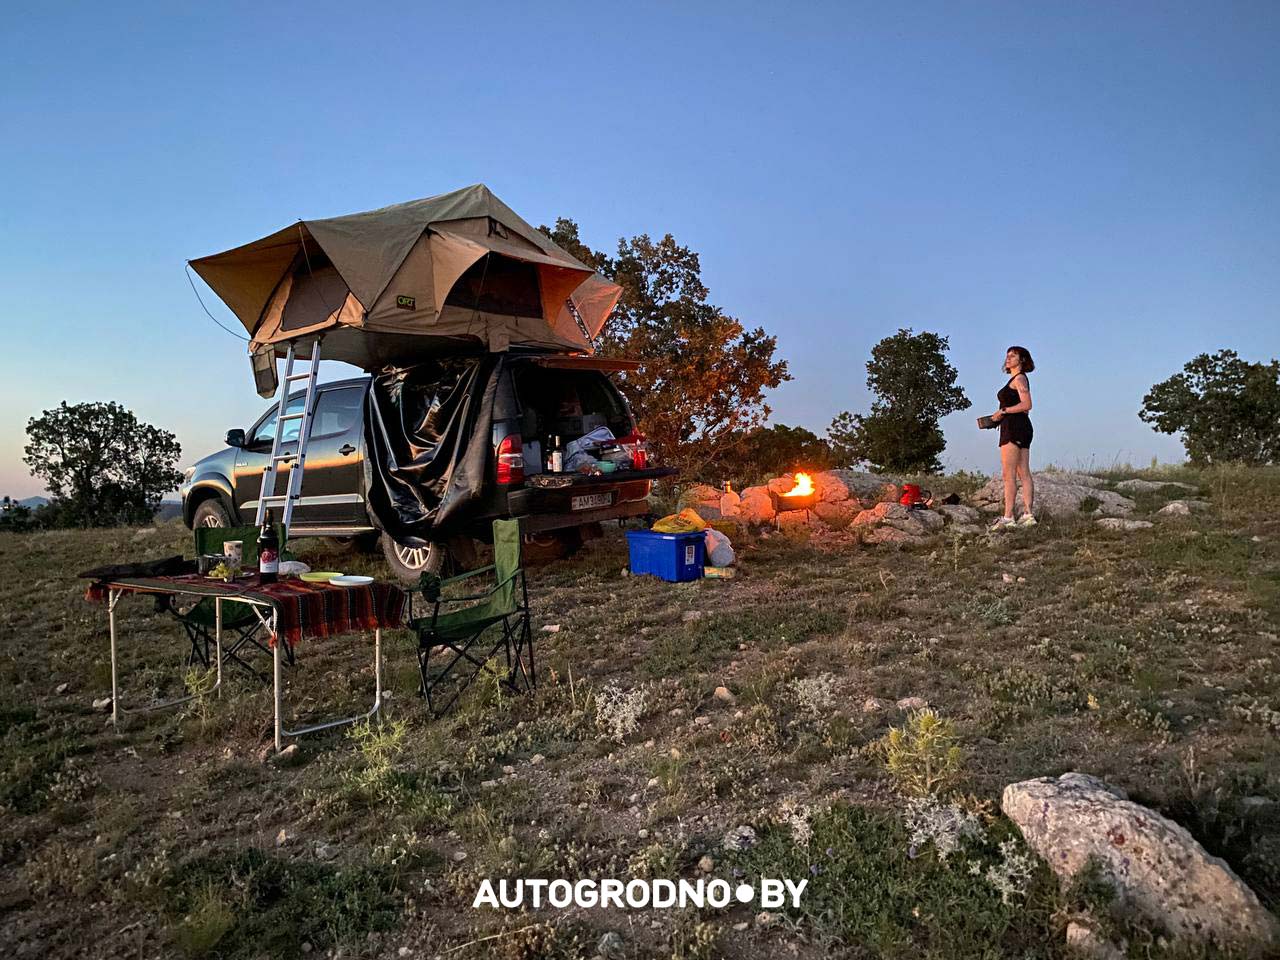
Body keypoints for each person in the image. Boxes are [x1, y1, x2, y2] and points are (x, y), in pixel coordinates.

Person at [990, 346, 1035, 530]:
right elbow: (1024, 407)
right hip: (1022, 426)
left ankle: (1008, 517)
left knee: (1008, 474)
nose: (1008, 358)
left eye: (1013, 355)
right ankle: (1028, 515)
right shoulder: (1019, 379)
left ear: (1022, 359)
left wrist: (1003, 411)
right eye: (1007, 355)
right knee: (1023, 471)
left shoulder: (1020, 379)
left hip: (1013, 427)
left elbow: (1027, 404)